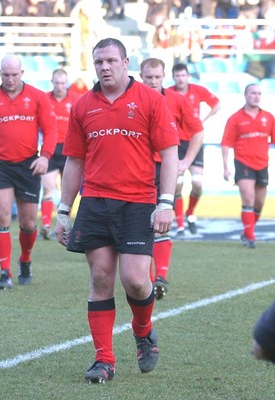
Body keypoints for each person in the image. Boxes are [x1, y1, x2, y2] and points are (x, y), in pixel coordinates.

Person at [55, 38, 179, 383]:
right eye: (99, 62)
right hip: (95, 202)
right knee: (100, 278)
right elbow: (74, 160)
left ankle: (143, 331)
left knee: (137, 281)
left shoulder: (151, 100)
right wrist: (64, 211)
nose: (105, 67)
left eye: (111, 60)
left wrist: (165, 202)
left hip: (138, 202)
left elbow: (169, 153)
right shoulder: (82, 106)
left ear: (126, 62)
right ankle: (104, 360)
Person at [0, 54, 57, 289]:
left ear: (22, 73)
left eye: (15, 74)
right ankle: (5, 272)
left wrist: (45, 157)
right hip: (0, 165)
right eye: (6, 75)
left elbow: (51, 130)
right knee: (2, 215)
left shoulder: (37, 97)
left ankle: (25, 259)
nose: (11, 79)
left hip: (28, 165)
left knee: (27, 223)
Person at [140, 57, 204, 300]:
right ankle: (145, 280)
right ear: (141, 76)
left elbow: (197, 131)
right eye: (149, 77)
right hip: (136, 170)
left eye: (157, 77)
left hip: (163, 169)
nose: (154, 81)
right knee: (140, 225)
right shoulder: (130, 99)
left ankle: (160, 276)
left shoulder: (177, 100)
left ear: (163, 76)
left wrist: (185, 162)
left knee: (160, 220)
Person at [221, 83, 275, 249]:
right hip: (243, 162)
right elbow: (225, 144)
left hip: (262, 163)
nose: (256, 96)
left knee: (259, 203)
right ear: (245, 95)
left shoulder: (269, 117)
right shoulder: (235, 118)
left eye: (259, 93)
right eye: (253, 93)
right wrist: (226, 167)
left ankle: (247, 230)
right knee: (248, 197)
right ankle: (250, 238)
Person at [169, 63, 221, 236]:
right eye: (177, 76)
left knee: (197, 183)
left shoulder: (198, 90)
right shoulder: (168, 92)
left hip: (194, 141)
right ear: (173, 77)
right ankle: (181, 224)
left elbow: (217, 104)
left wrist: (203, 120)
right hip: (175, 142)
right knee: (177, 184)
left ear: (188, 76)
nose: (180, 78)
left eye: (183, 75)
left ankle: (190, 213)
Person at [40, 68, 80, 239]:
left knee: (68, 191)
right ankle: (46, 225)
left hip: (69, 149)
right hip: (50, 148)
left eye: (63, 83)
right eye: (57, 83)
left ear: (67, 83)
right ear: (52, 82)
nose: (60, 86)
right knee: (47, 186)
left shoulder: (76, 100)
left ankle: (65, 226)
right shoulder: (44, 100)